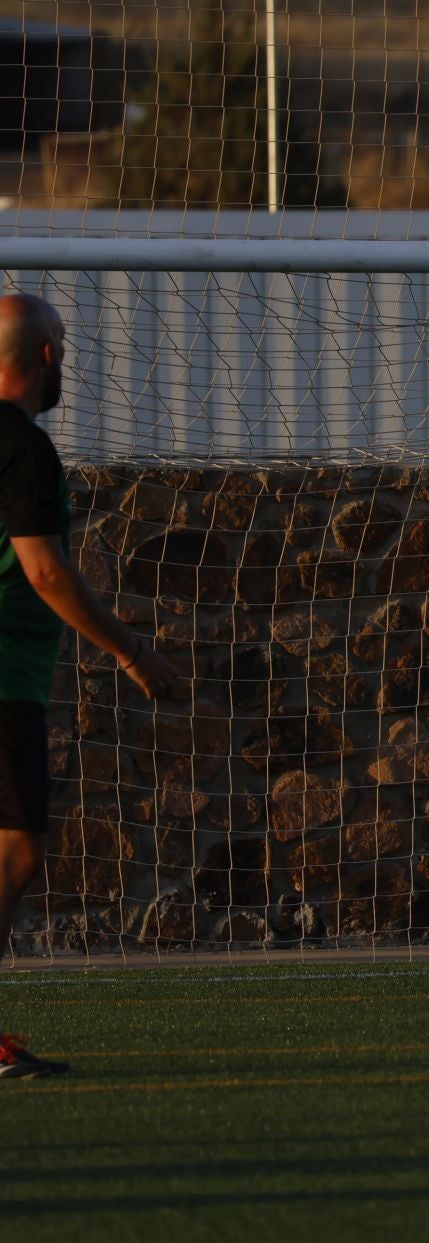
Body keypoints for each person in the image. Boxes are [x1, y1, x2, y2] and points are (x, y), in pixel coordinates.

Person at [0, 294, 179, 1079]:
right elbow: (44, 570)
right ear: (44, 355)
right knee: (17, 850)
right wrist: (133, 652)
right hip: (2, 679)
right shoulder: (21, 449)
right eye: (63, 344)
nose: (66, 358)